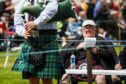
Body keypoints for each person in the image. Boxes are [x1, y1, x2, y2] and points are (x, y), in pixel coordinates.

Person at [12, 0, 65, 84]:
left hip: (48, 40)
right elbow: (17, 23)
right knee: (32, 76)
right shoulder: (22, 3)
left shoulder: (48, 1)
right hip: (31, 41)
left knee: (46, 77)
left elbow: (52, 9)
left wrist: (36, 23)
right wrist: (23, 32)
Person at [61, 20, 117, 84]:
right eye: (86, 28)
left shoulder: (102, 40)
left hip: (97, 66)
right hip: (76, 66)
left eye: (91, 28)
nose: (88, 30)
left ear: (95, 30)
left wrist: (100, 51)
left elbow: (112, 53)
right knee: (64, 77)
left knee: (101, 79)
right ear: (82, 30)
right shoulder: (75, 40)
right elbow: (63, 52)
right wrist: (77, 48)